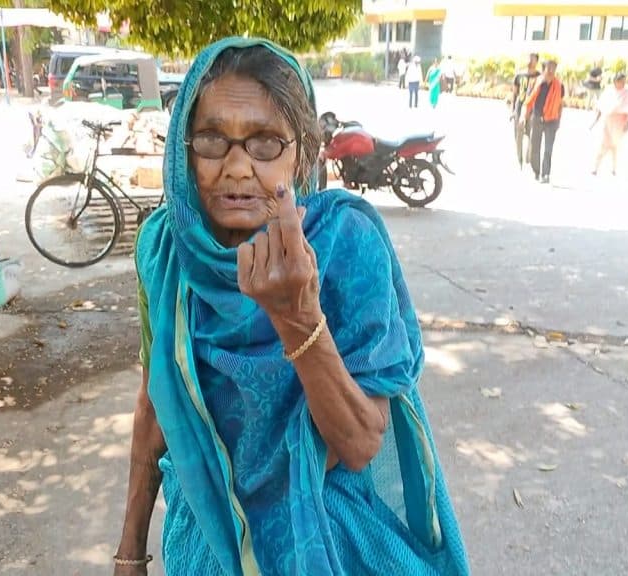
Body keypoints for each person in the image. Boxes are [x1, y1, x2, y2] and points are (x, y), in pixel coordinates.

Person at [112, 37, 470, 576]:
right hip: (209, 541)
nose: (236, 167)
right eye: (212, 139)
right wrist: (130, 551)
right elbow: (154, 402)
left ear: (301, 152)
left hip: (326, 540)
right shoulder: (164, 252)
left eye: (265, 143)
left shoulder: (344, 243)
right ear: (183, 149)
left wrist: (297, 315)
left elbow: (359, 441)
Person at [591, 72, 628, 176]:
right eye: (621, 81)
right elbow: (601, 105)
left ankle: (614, 168)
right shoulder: (609, 91)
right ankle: (595, 167)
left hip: (620, 122)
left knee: (615, 146)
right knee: (603, 144)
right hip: (608, 120)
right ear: (615, 81)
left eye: (624, 81)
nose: (623, 84)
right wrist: (596, 119)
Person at [526, 60, 564, 184]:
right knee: (534, 147)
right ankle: (536, 171)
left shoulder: (559, 86)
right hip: (537, 118)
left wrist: (559, 120)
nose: (551, 71)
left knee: (548, 149)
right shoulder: (536, 83)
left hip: (552, 120)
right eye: (549, 68)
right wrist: (524, 116)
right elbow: (529, 100)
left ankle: (546, 174)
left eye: (553, 69)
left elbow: (560, 104)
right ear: (544, 70)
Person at [510, 53, 541, 169]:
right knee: (518, 135)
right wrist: (512, 110)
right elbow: (514, 94)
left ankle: (529, 156)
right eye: (528, 58)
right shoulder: (519, 75)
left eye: (532, 59)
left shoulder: (539, 76)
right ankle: (519, 160)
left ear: (536, 61)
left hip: (533, 109)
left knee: (532, 134)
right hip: (519, 107)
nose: (529, 61)